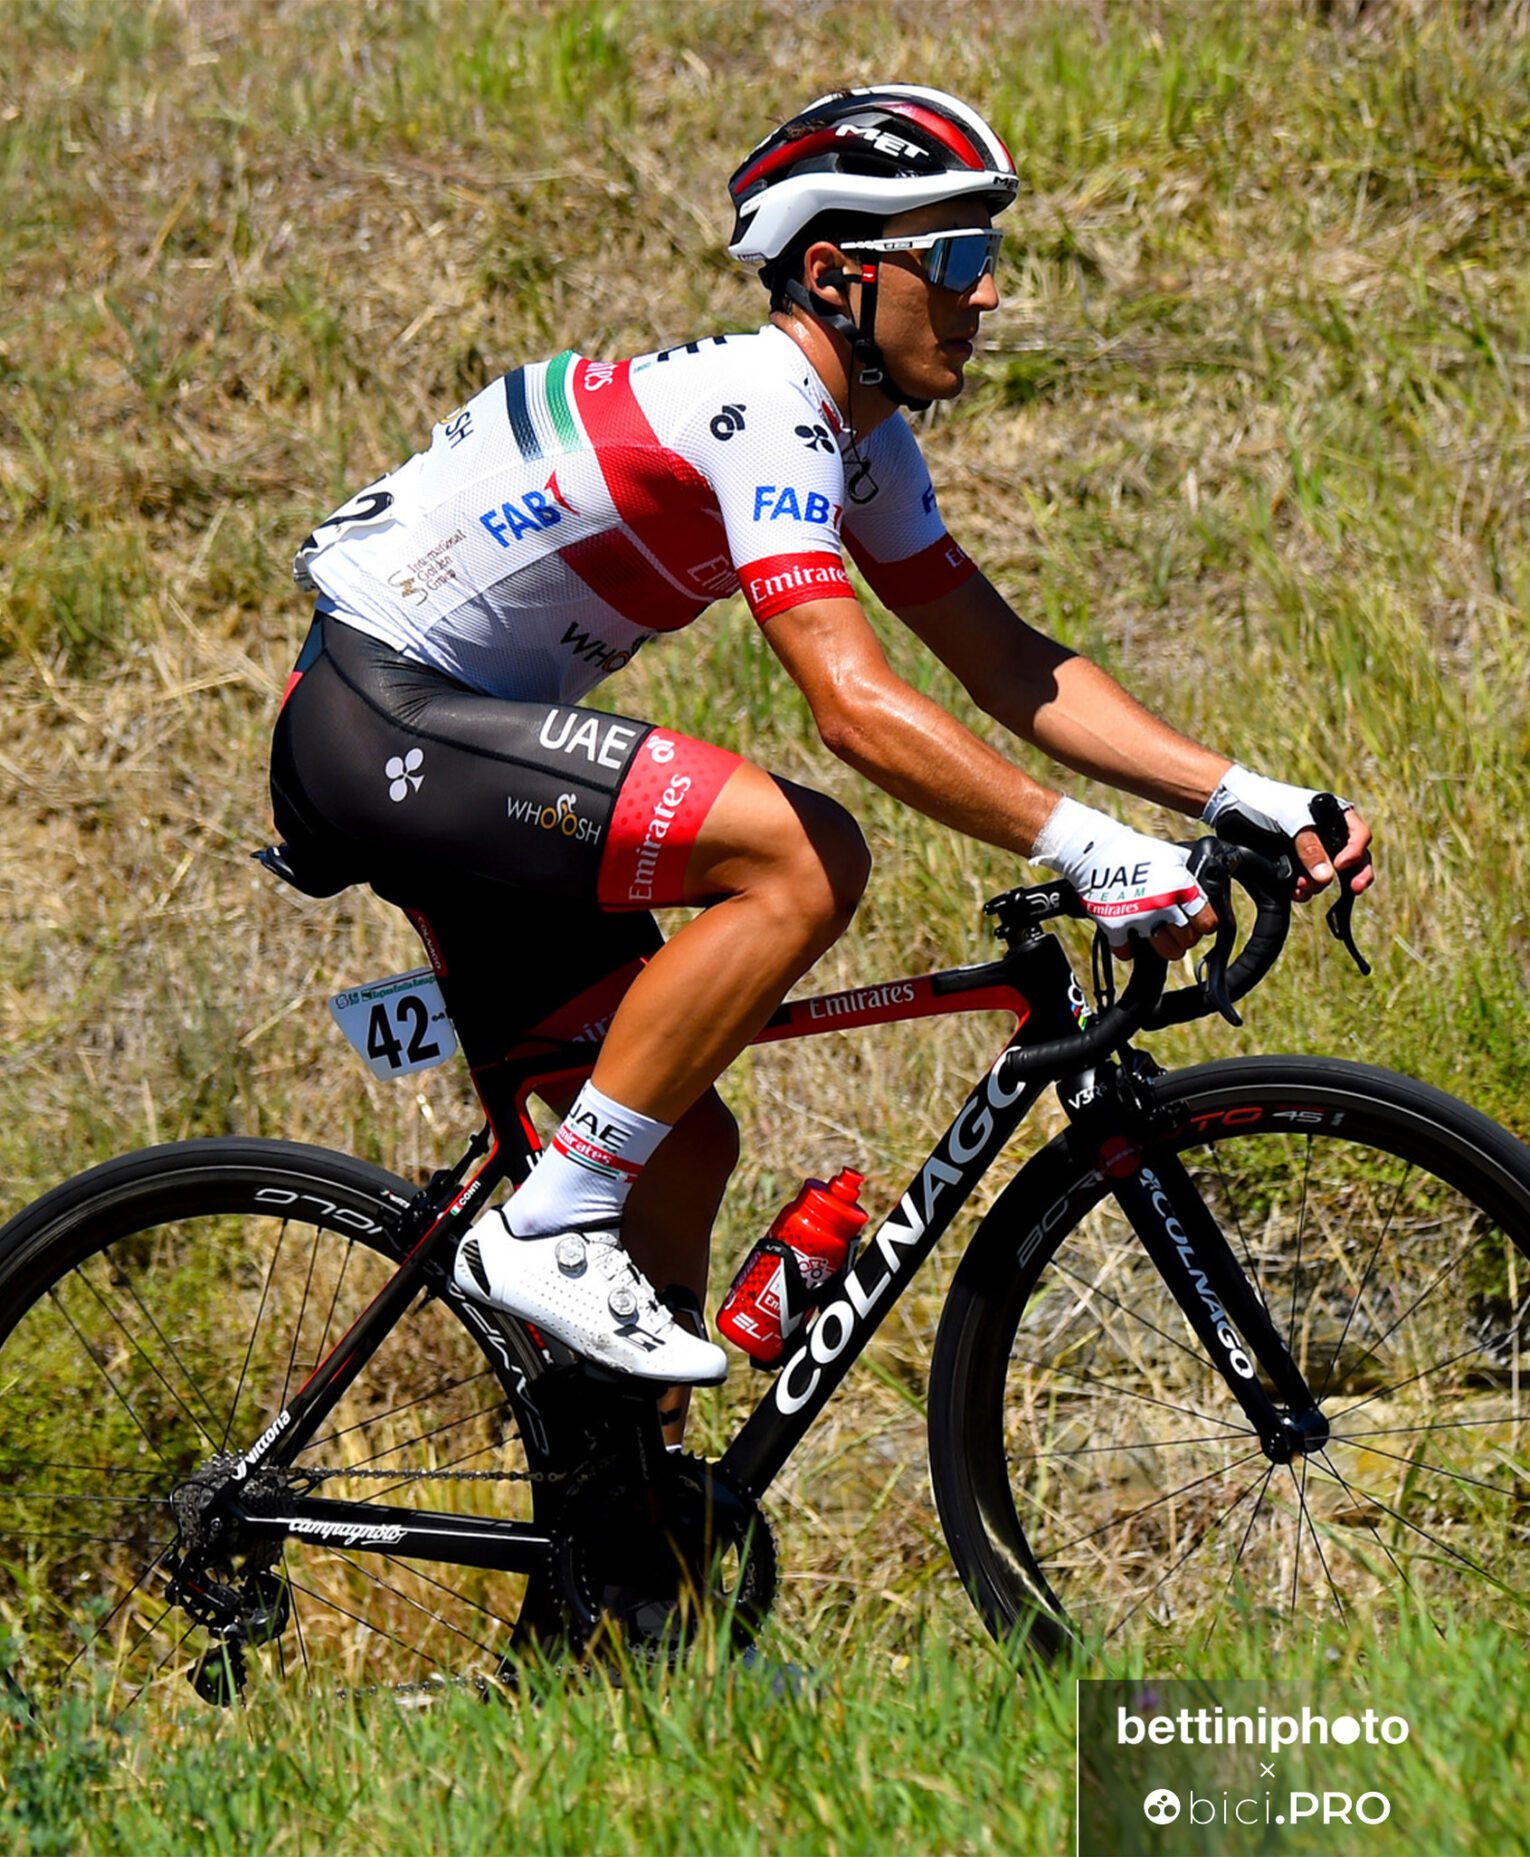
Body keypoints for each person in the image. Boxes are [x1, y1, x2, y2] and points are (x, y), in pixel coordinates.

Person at [270, 85, 1373, 1426]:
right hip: (380, 715)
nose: (984, 293)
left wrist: (1237, 792)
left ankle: (628, 1525)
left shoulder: (863, 441)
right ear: (843, 274)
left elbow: (1007, 662)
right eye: (954, 258)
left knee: (682, 1146)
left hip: (447, 740)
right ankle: (546, 1225)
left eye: (988, 257)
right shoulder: (762, 402)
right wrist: (1089, 846)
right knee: (801, 857)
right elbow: (850, 705)